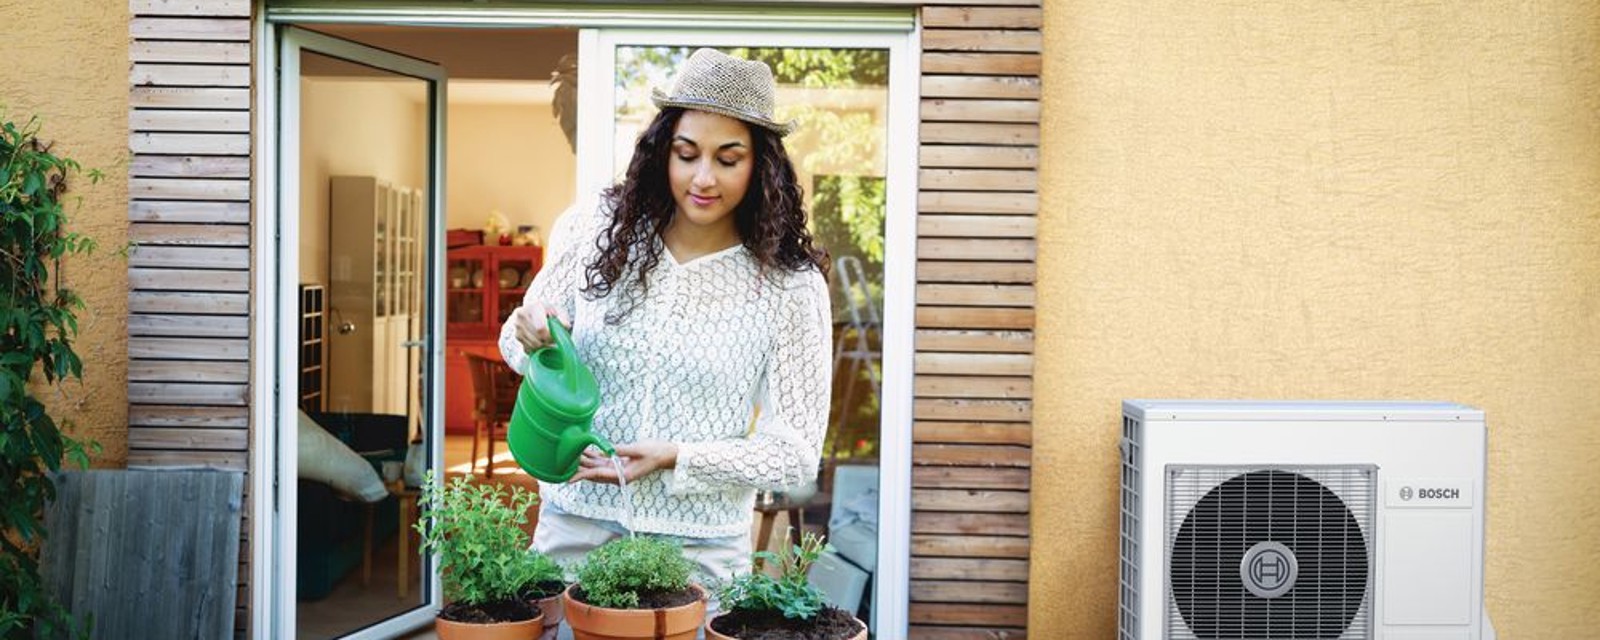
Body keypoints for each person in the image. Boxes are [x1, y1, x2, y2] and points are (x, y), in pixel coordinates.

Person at [498, 48, 832, 589]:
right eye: (686, 153)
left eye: (727, 159)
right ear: (662, 153)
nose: (703, 177)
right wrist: (531, 333)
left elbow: (794, 457)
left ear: (761, 165)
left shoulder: (790, 286)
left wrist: (678, 457)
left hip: (701, 551)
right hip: (576, 527)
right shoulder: (596, 228)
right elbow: (515, 350)